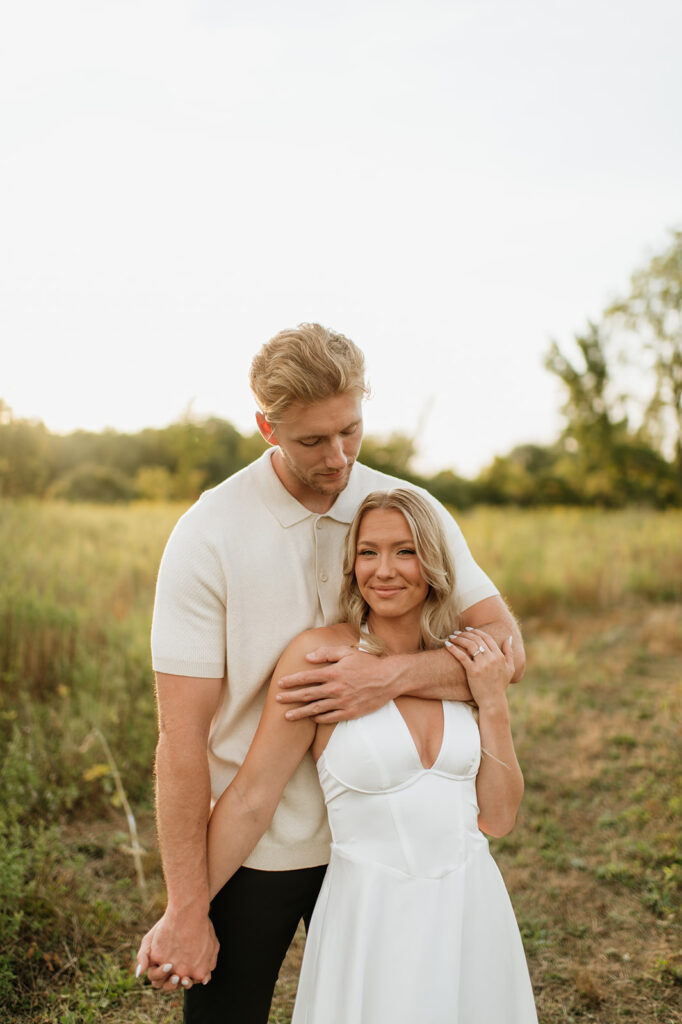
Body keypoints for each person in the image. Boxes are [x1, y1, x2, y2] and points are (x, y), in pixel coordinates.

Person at [136, 323, 525, 1023]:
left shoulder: (405, 511)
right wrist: (187, 908)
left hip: (387, 845)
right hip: (258, 843)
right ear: (266, 427)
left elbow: (506, 650)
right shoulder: (209, 533)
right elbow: (181, 740)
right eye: (313, 441)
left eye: (351, 431)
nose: (339, 457)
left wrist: (389, 676)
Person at [202, 487, 537, 1023]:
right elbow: (251, 797)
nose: (384, 570)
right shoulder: (321, 657)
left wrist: (492, 699)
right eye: (368, 552)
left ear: (433, 561)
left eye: (405, 551)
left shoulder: (463, 658)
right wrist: (186, 911)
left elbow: (498, 818)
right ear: (351, 564)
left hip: (469, 906)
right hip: (370, 917)